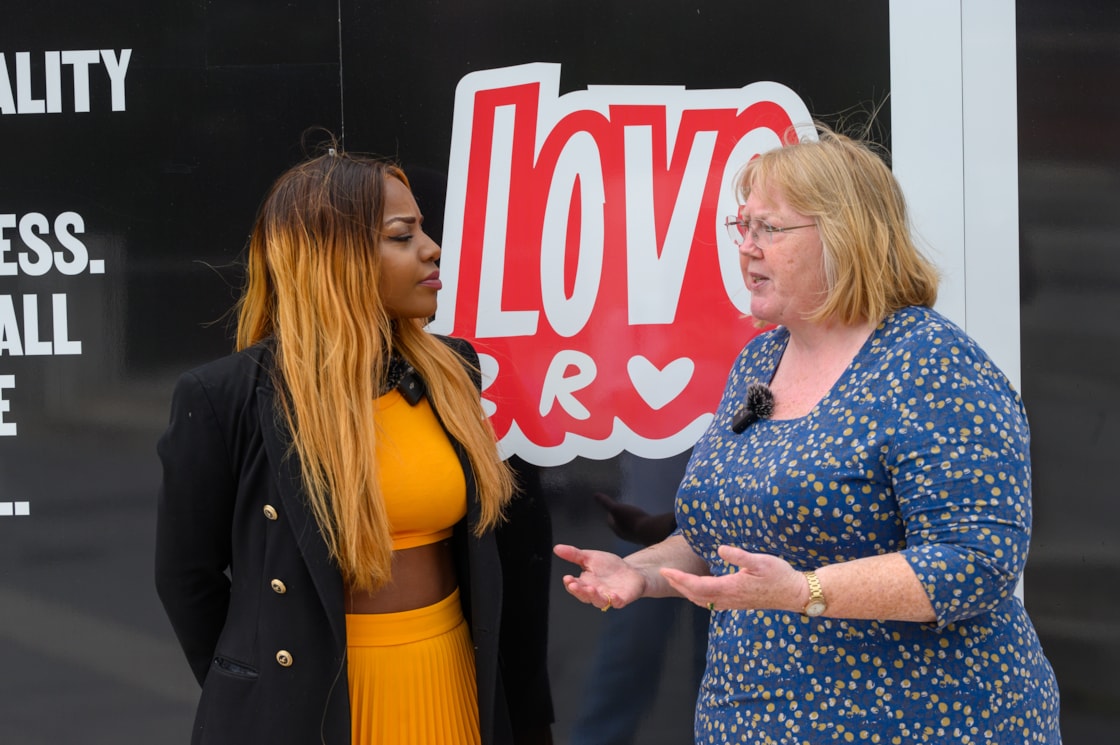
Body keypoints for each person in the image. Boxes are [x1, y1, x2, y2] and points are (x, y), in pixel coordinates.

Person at [555, 124, 1062, 744]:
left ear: (846, 237)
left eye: (769, 228)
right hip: (754, 720)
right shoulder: (760, 360)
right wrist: (643, 572)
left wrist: (805, 591)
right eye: (740, 227)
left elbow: (977, 561)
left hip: (920, 723)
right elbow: (732, 535)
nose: (746, 247)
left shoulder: (933, 364)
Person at [155, 145, 553, 745]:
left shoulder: (452, 370)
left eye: (423, 230)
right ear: (335, 259)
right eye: (402, 235)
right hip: (316, 703)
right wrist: (263, 693)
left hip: (449, 680)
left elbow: (503, 556)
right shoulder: (225, 397)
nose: (432, 248)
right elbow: (187, 578)